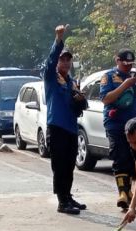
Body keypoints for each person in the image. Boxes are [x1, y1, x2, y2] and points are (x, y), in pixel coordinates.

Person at [44, 24, 87, 215]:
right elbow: (50, 61)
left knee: (70, 165)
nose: (66, 63)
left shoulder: (71, 82)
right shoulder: (51, 78)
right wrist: (58, 39)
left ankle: (68, 196)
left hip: (71, 127)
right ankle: (62, 202)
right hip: (57, 128)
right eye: (63, 60)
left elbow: (79, 106)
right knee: (60, 166)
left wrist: (80, 101)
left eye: (68, 60)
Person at [100, 48, 136, 210]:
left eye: (130, 64)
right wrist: (125, 85)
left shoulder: (134, 78)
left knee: (132, 158)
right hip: (115, 122)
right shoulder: (108, 76)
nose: (128, 66)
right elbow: (106, 99)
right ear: (117, 60)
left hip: (133, 123)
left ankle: (129, 193)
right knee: (119, 155)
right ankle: (122, 192)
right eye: (124, 63)